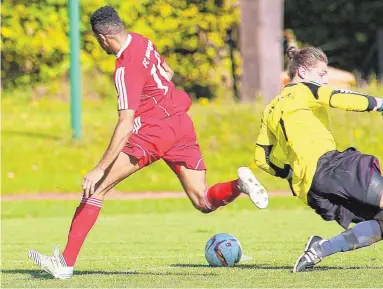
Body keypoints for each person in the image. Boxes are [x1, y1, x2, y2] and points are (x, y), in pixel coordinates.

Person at [27, 5, 268, 279]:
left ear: (102, 38)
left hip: (154, 132)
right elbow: (168, 71)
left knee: (95, 190)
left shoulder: (124, 67)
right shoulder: (142, 41)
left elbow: (125, 123)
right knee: (203, 201)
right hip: (180, 122)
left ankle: (65, 265)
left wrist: (98, 167)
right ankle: (239, 185)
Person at [254, 46, 383, 273]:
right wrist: (377, 102)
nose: (324, 81)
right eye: (322, 74)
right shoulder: (307, 89)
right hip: (330, 168)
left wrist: (288, 173)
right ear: (303, 72)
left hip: (310, 189)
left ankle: (320, 249)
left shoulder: (270, 108)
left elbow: (262, 158)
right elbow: (338, 97)